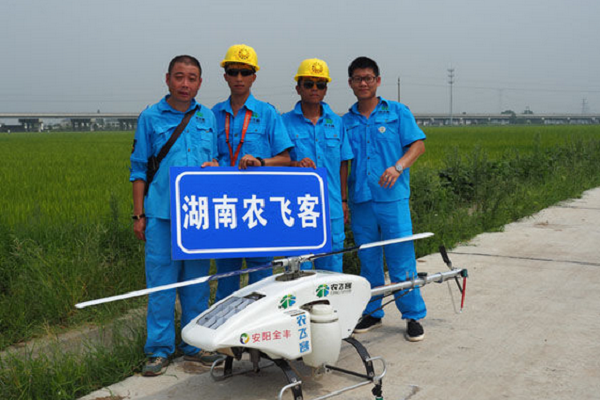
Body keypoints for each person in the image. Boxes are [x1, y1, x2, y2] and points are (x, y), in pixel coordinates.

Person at [130, 55, 221, 376]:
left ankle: (194, 344)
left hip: (197, 218)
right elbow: (139, 168)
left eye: (192, 78)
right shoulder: (151, 117)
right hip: (161, 216)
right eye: (179, 77)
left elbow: (217, 160)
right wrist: (138, 215)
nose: (185, 84)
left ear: (200, 83)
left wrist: (215, 166)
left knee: (196, 285)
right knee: (161, 286)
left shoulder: (207, 117)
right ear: (167, 79)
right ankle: (158, 349)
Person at [343, 56, 427, 341]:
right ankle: (373, 312)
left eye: (368, 78)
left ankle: (413, 315)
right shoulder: (345, 122)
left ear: (377, 81)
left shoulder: (397, 112)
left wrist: (398, 167)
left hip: (392, 199)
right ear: (351, 83)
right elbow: (343, 163)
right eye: (358, 79)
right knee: (368, 260)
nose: (363, 83)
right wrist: (344, 200)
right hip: (361, 200)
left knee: (401, 259)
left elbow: (418, 145)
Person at [212, 44, 293, 301]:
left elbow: (286, 158)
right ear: (225, 76)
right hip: (225, 205)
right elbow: (209, 156)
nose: (239, 78)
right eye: (233, 72)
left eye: (245, 72)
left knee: (261, 278)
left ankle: (258, 324)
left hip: (257, 206)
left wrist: (261, 161)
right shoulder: (213, 114)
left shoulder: (267, 113)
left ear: (254, 77)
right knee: (226, 276)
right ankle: (226, 323)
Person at [282, 58, 353, 272]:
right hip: (296, 208)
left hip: (332, 208)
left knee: (331, 270)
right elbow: (278, 162)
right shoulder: (284, 122)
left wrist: (343, 200)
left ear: (325, 89)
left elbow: (343, 164)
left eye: (320, 85)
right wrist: (295, 164)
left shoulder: (337, 123)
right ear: (298, 88)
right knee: (298, 272)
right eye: (309, 84)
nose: (315, 89)